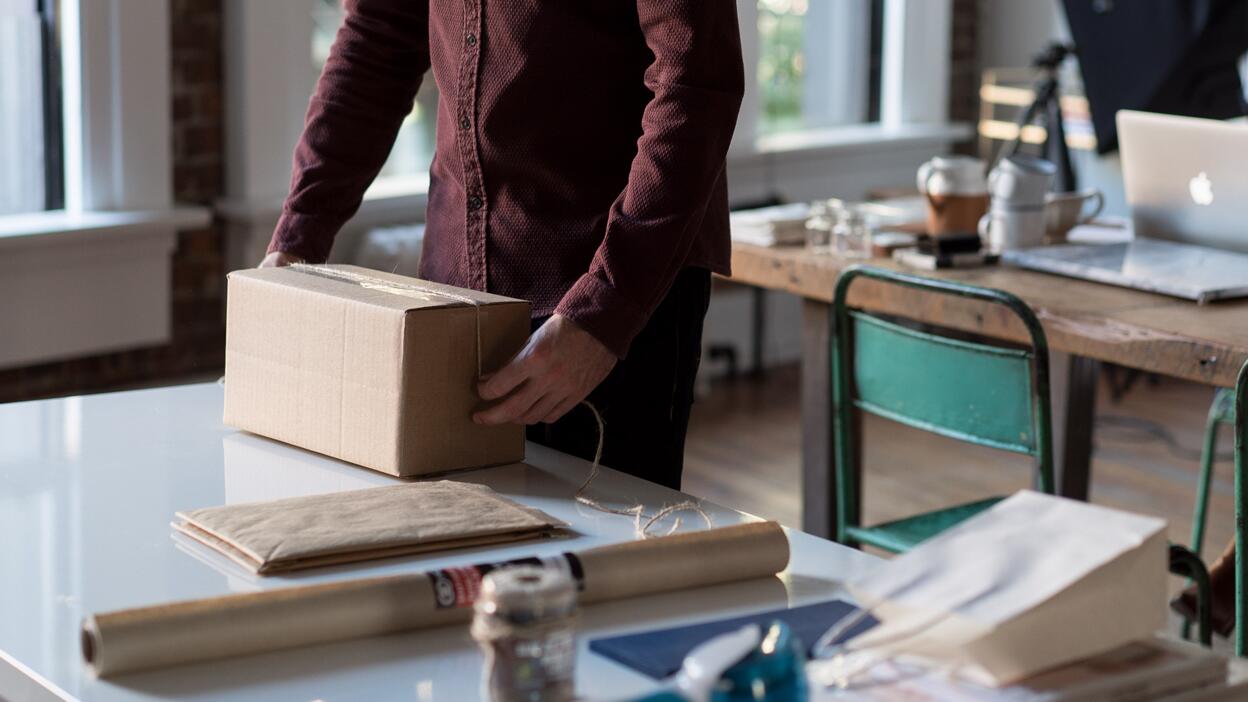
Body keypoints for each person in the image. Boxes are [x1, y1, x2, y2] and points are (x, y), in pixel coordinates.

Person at [260, 1, 744, 490]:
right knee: (458, 546)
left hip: (611, 295)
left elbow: (695, 85)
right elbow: (378, 36)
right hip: (454, 294)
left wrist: (604, 311)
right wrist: (298, 238)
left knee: (601, 557)